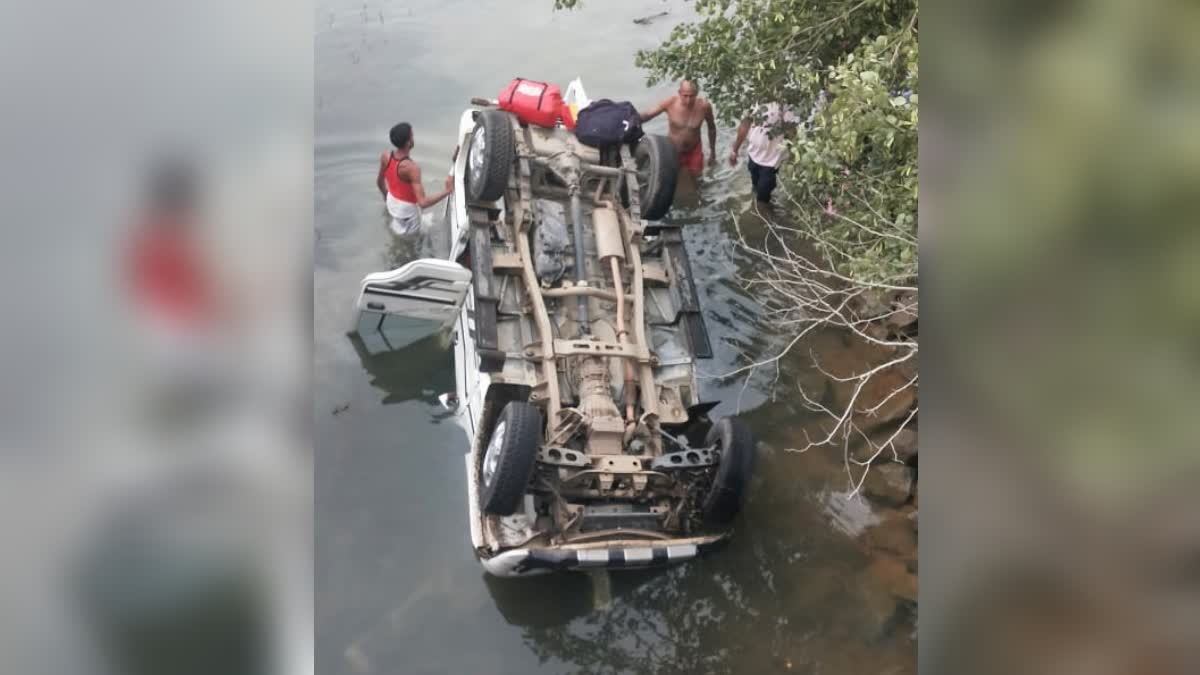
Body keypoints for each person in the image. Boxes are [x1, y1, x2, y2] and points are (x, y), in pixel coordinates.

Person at [376, 122, 452, 236]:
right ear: (408, 143)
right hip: (407, 213)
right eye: (412, 136)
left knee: (399, 229)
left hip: (391, 202)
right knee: (413, 241)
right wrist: (447, 191)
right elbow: (423, 203)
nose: (413, 138)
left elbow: (379, 182)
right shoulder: (412, 168)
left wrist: (386, 197)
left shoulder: (386, 156)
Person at [729, 102, 800, 207]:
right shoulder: (754, 98)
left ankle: (762, 216)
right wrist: (734, 150)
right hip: (753, 154)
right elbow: (744, 126)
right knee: (755, 186)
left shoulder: (784, 105)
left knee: (763, 197)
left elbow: (791, 131)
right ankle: (758, 207)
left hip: (771, 161)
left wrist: (794, 156)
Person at [639, 80, 717, 176]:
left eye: (691, 96)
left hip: (694, 149)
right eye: (685, 96)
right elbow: (648, 114)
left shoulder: (704, 107)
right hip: (673, 149)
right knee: (670, 177)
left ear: (696, 94)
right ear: (679, 93)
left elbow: (712, 128)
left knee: (698, 178)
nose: (688, 100)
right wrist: (632, 119)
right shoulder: (670, 103)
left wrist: (713, 152)